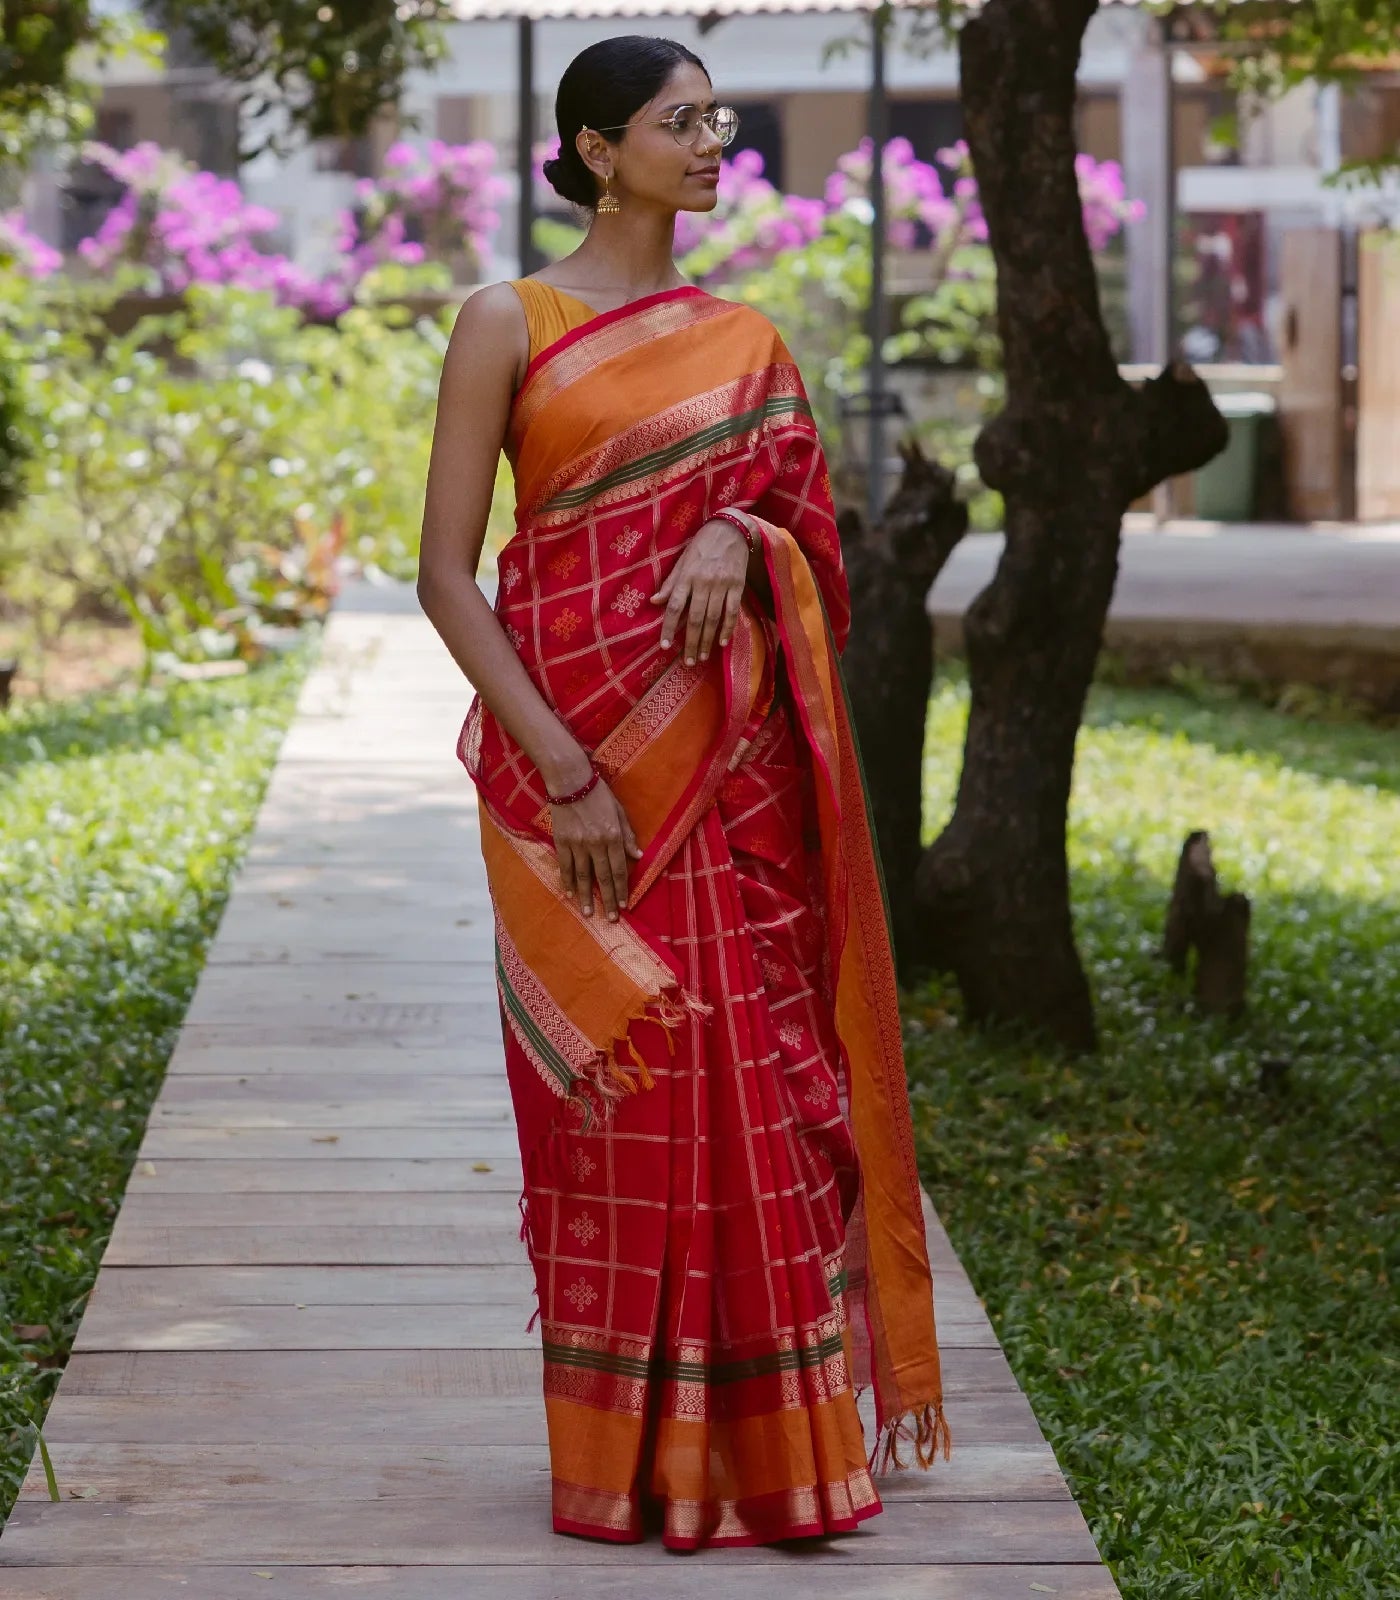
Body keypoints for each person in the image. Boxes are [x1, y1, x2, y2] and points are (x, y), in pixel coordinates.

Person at [416, 33, 951, 1551]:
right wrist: (566, 771)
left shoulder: (747, 342)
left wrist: (739, 537)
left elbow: (809, 557)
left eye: (716, 117)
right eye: (679, 121)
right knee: (618, 1104)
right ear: (596, 148)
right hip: (574, 777)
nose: (714, 140)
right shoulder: (504, 322)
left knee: (768, 1094)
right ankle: (628, 1462)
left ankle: (781, 1460)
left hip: (731, 785)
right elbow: (446, 576)